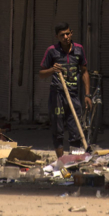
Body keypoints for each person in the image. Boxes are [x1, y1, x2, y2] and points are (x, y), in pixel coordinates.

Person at [39, 22, 92, 158]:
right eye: (62, 35)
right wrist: (52, 70)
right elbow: (41, 73)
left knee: (76, 129)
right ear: (57, 36)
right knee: (58, 129)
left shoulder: (79, 50)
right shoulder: (52, 51)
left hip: (73, 95)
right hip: (57, 95)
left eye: (68, 34)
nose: (66, 37)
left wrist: (87, 94)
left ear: (71, 33)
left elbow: (84, 72)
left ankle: (75, 161)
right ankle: (62, 162)